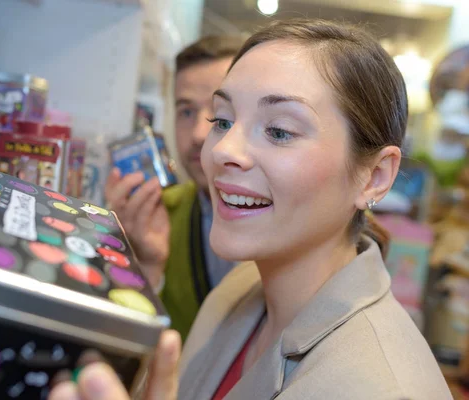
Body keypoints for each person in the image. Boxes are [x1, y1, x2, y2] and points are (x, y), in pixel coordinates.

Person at [50, 18, 452, 400]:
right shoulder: (239, 289)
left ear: (375, 177)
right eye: (222, 120)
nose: (222, 149)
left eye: (278, 131)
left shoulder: (382, 388)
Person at [104, 35, 245, 341]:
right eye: (186, 112)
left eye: (220, 113)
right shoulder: (157, 213)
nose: (197, 133)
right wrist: (142, 266)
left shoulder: (303, 224)